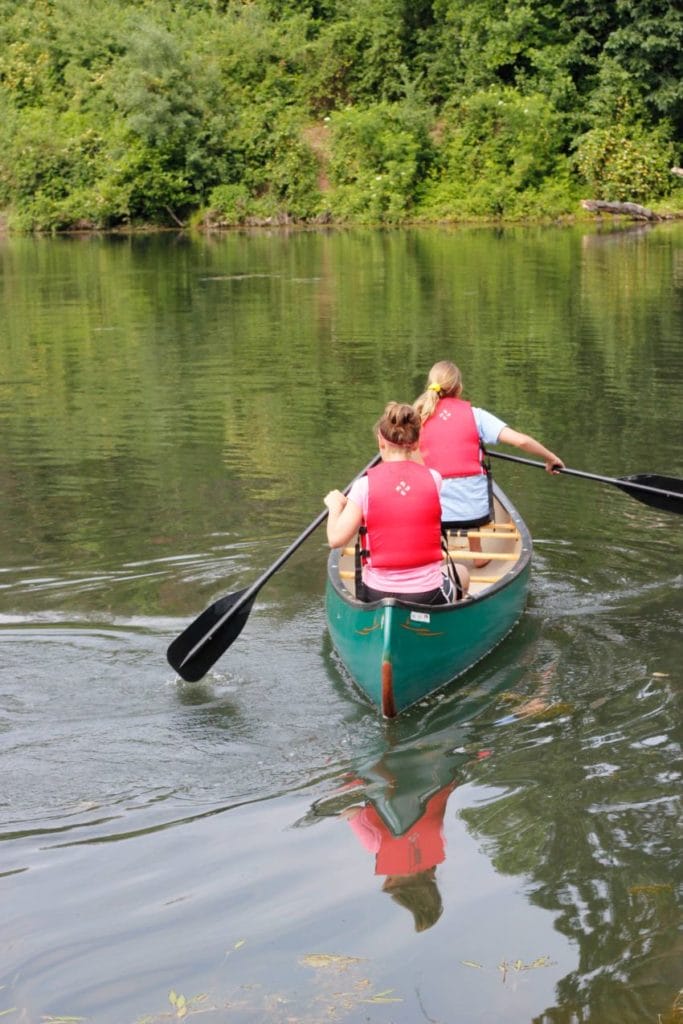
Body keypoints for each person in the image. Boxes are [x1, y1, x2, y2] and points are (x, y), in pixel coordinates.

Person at [413, 361, 565, 566]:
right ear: (459, 388)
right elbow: (521, 441)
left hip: (433, 513)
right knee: (472, 482)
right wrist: (550, 457)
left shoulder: (416, 418)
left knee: (424, 481)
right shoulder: (476, 415)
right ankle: (477, 554)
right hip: (474, 511)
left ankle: (434, 552)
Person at [324, 401, 469, 604]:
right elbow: (419, 470)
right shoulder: (434, 479)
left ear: (380, 442)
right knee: (461, 573)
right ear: (417, 443)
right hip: (427, 595)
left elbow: (335, 539)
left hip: (376, 594)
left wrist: (334, 507)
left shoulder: (363, 486)